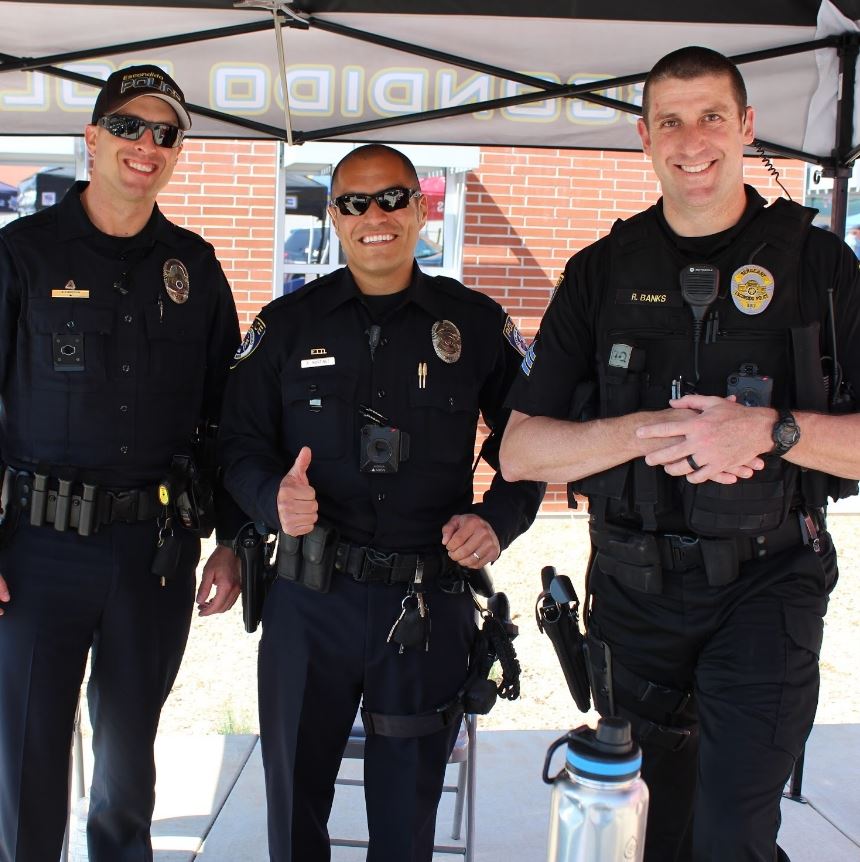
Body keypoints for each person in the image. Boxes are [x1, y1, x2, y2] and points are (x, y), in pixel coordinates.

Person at [500, 46, 860, 862]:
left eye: (711, 117)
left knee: (732, 834)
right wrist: (653, 430)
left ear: (747, 126)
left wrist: (770, 430)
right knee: (642, 833)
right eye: (670, 121)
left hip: (769, 585)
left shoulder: (821, 267)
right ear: (645, 136)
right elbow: (520, 452)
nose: (692, 142)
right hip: (636, 595)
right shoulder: (600, 272)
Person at [218, 143, 543, 862]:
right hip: (310, 602)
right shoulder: (287, 324)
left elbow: (534, 441)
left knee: (406, 819)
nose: (376, 216)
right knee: (294, 807)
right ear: (334, 217)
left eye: (393, 198)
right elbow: (237, 445)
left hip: (424, 605)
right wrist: (272, 499)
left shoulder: (474, 324)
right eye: (355, 203)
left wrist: (497, 520)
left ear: (422, 209)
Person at [0, 65, 245, 862]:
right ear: (93, 138)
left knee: (128, 764)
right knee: (29, 756)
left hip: (153, 553)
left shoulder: (194, 267)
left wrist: (233, 540)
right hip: (38, 550)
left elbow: (227, 415)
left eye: (165, 133)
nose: (148, 144)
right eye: (130, 127)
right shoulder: (23, 255)